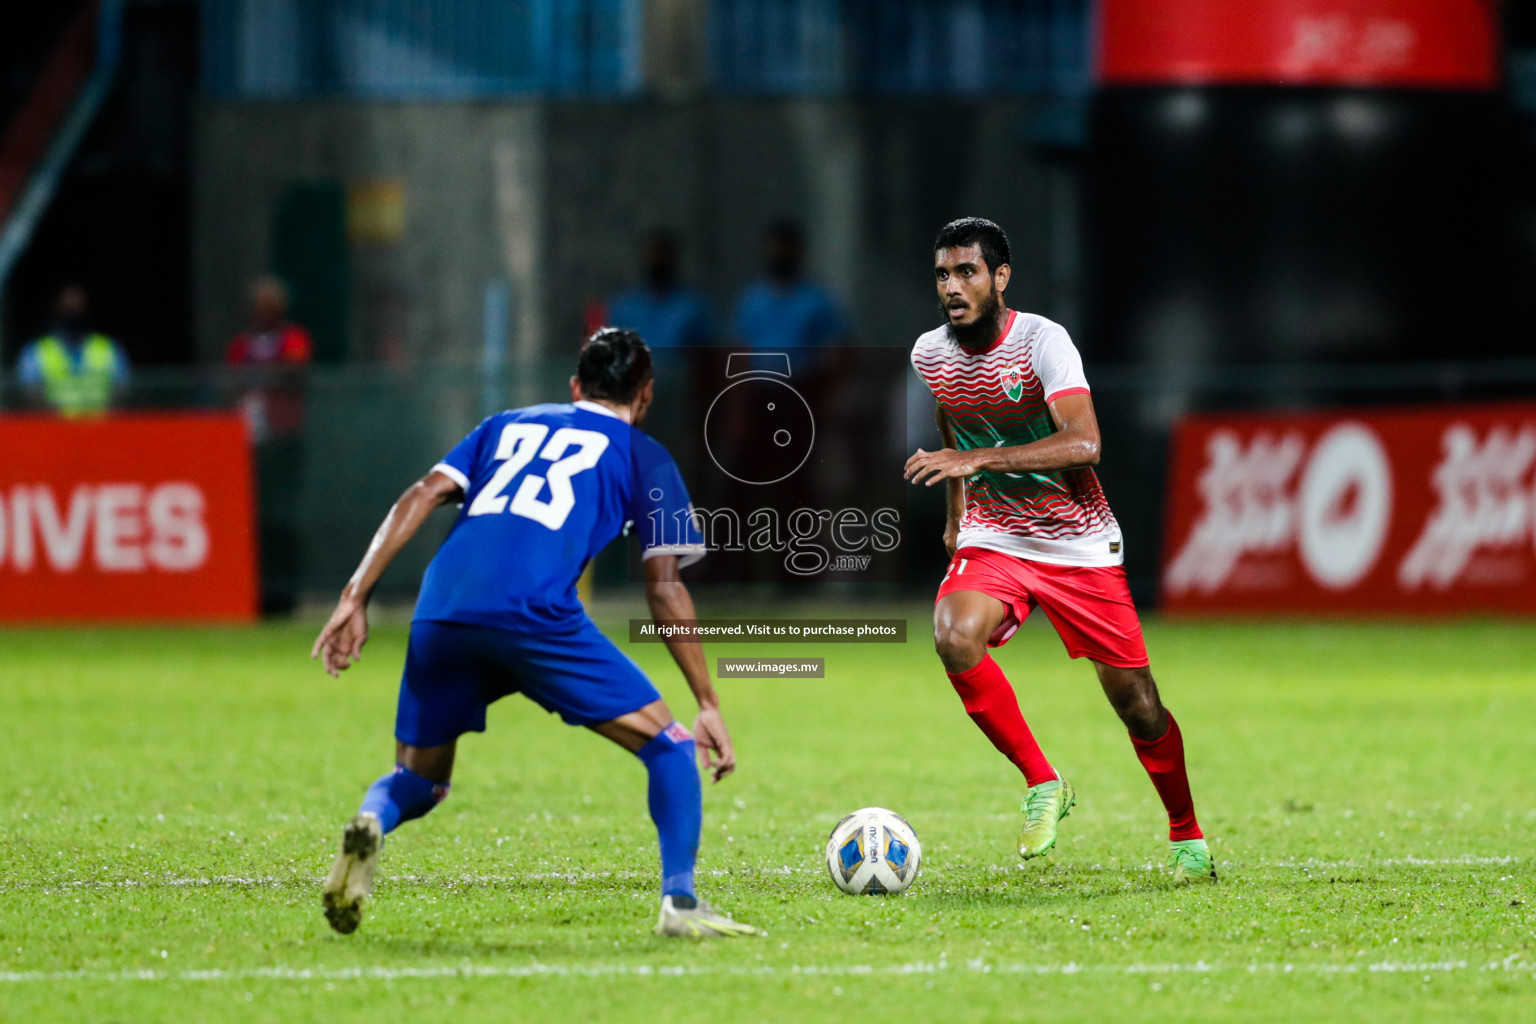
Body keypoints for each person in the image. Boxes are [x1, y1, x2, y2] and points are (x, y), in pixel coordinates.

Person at [311, 328, 757, 939]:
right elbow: (664, 589)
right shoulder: (646, 456)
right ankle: (680, 904)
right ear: (646, 394)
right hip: (533, 614)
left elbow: (423, 493)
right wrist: (707, 701)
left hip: (443, 608)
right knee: (672, 747)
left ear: (575, 387)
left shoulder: (504, 425)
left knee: (418, 779)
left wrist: (354, 596)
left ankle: (370, 819)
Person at [905, 217, 1215, 883]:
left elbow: (1085, 443)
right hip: (995, 531)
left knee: (1138, 704)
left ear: (1000, 278)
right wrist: (957, 513)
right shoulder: (930, 353)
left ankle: (1186, 832)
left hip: (1077, 542)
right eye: (942, 274)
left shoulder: (1043, 343)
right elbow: (951, 417)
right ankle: (1043, 781)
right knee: (954, 635)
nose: (952, 286)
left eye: (966, 272)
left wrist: (981, 459)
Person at [15, 285, 130, 417]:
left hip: (102, 426)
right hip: (52, 426)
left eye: (78, 309)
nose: (74, 314)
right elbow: (31, 396)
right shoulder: (35, 351)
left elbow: (122, 393)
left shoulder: (110, 348)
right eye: (68, 309)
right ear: (57, 310)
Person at [732, 219, 848, 349]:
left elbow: (838, 344)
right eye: (776, 247)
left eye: (786, 247)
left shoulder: (816, 300)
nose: (781, 253)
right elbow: (740, 343)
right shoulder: (752, 299)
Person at [225, 275, 313, 442]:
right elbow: (233, 376)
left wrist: (261, 372)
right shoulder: (241, 342)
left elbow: (295, 366)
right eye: (262, 304)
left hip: (285, 419)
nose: (266, 310)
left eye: (271, 304)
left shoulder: (293, 336)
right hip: (249, 419)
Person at [599, 229, 712, 348]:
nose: (658, 260)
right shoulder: (623, 306)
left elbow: (708, 348)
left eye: (663, 254)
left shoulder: (693, 305)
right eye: (654, 254)